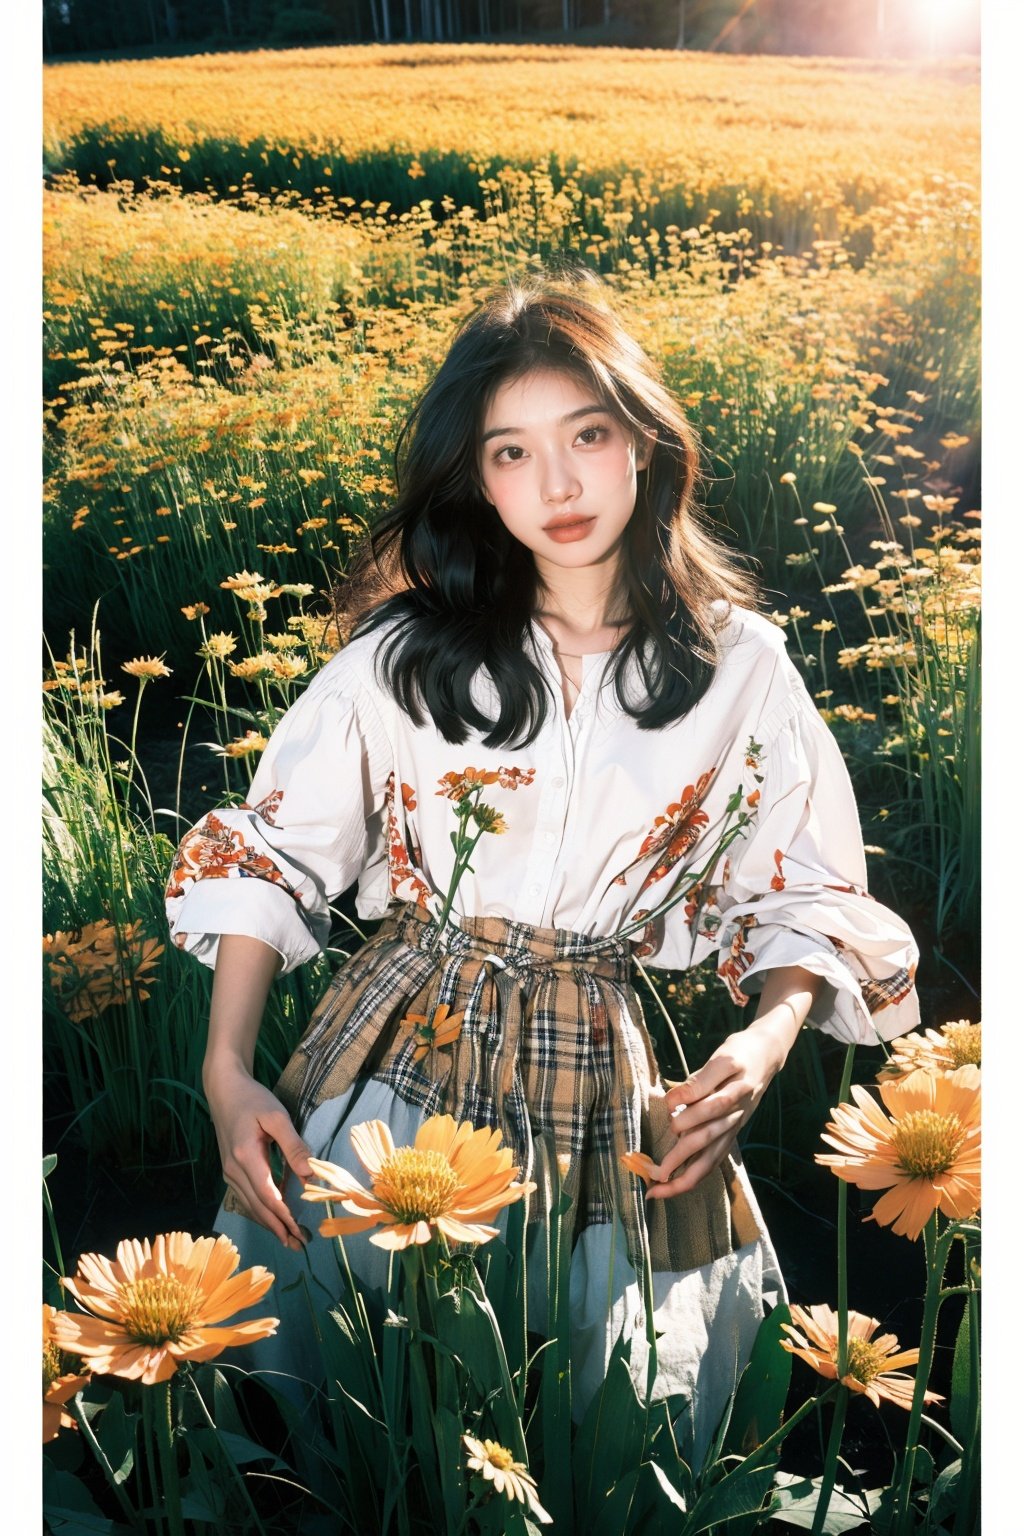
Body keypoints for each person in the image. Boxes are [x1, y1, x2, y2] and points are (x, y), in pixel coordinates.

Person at [165, 264, 920, 1464]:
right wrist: (224, 1067)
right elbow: (273, 853)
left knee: (593, 1403)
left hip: (594, 1059)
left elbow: (807, 889)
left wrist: (760, 1041)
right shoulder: (407, 653)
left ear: (643, 442)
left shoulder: (740, 669)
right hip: (398, 1042)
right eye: (509, 452)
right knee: (358, 1379)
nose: (555, 484)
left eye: (586, 434)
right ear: (474, 474)